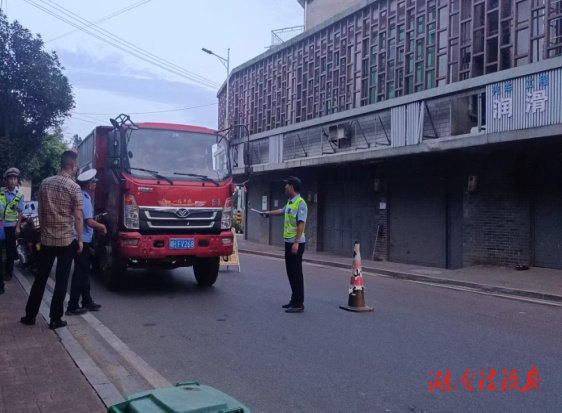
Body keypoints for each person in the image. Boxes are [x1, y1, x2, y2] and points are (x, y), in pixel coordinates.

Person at [21, 150, 84, 330]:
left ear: (60, 165)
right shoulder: (74, 187)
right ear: (73, 167)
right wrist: (79, 240)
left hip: (47, 239)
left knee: (40, 278)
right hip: (65, 241)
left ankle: (30, 315)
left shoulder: (45, 184)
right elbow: (78, 217)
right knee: (62, 280)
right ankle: (55, 319)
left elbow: (40, 213)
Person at [263, 176, 308, 313]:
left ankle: (299, 303)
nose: (284, 187)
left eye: (286, 185)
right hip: (288, 243)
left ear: (292, 187)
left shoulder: (300, 203)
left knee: (296, 273)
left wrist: (296, 242)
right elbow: (282, 211)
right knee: (290, 272)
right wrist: (268, 213)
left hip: (296, 244)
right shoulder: (290, 202)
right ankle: (294, 300)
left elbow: (301, 224)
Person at [66, 169, 106, 315]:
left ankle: (87, 301)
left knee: (83, 272)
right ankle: (73, 306)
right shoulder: (85, 198)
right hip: (82, 239)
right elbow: (88, 222)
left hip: (77, 238)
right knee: (80, 273)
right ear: (89, 185)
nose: (95, 184)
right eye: (93, 182)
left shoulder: (79, 196)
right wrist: (101, 226)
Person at [0, 168, 24, 282]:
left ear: (17, 180)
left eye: (15, 178)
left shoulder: (19, 195)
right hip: (0, 226)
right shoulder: (1, 192)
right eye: (11, 178)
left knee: (10, 250)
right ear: (7, 180)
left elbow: (20, 212)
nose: (13, 181)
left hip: (11, 226)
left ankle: (9, 272)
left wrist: (18, 226)